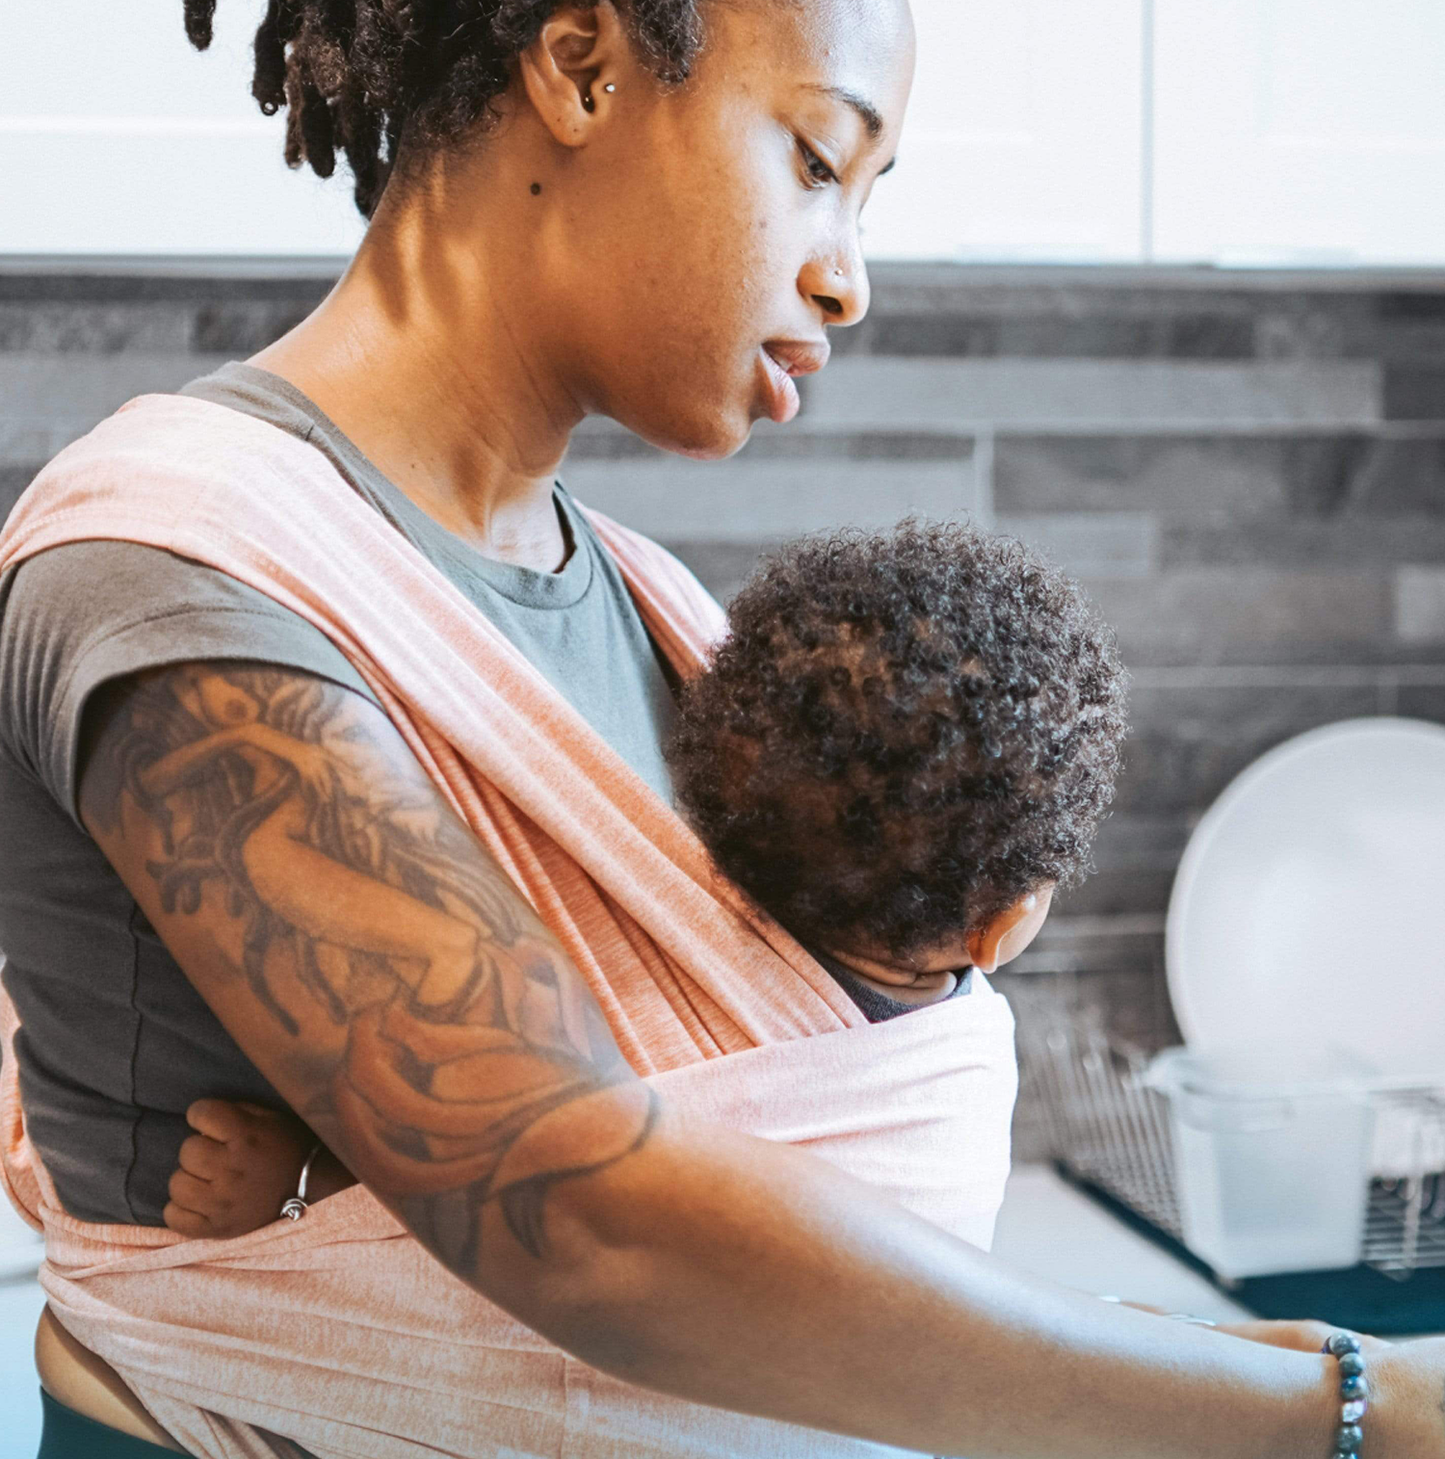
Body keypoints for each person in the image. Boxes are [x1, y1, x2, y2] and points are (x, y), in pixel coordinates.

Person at [1, 0, 1443, 1454]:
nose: (851, 274)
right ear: (582, 64)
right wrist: (1340, 1408)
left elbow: (801, 1147)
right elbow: (582, 1211)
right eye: (820, 159)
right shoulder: (176, 565)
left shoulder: (656, 617)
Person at [155, 519, 1127, 1241]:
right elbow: (600, 1227)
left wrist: (307, 1182)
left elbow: (526, 1187)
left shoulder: (612, 983)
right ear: (1000, 927)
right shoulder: (938, 1075)